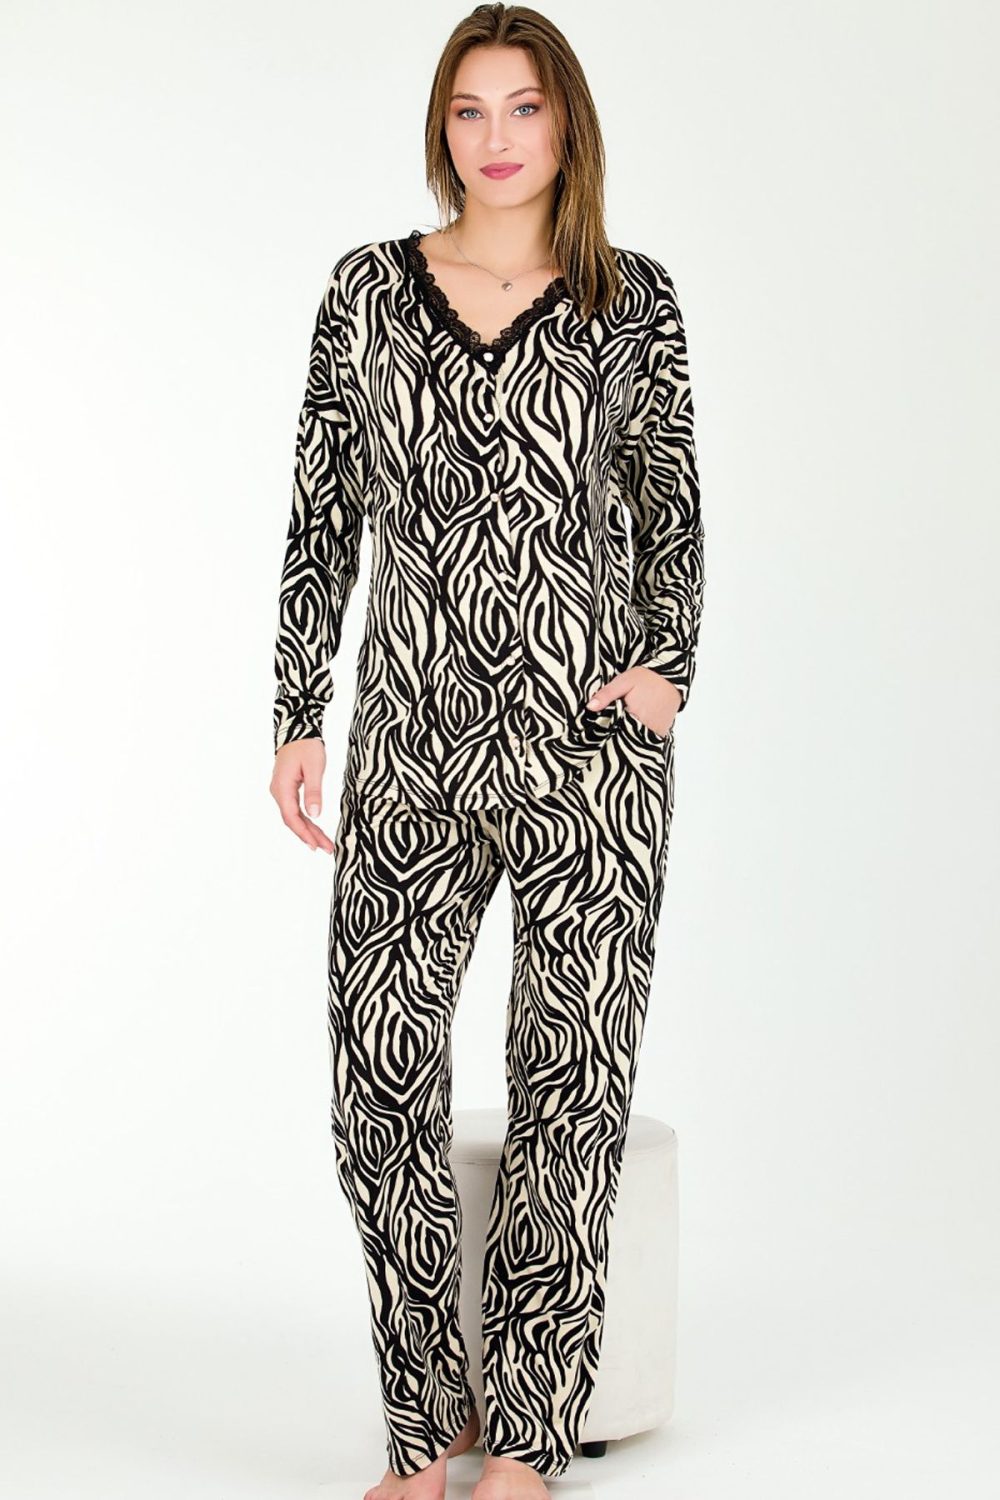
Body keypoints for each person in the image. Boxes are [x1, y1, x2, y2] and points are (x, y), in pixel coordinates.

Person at [269, 6, 705, 1498]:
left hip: (589, 756)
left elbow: (670, 505)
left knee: (568, 1087)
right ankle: (422, 1429)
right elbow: (324, 512)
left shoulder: (633, 298)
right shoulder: (368, 293)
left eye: (525, 107)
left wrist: (665, 673)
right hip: (409, 746)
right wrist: (299, 712)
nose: (498, 136)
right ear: (441, 129)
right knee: (378, 1090)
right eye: (470, 109)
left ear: (567, 124)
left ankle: (525, 1440)